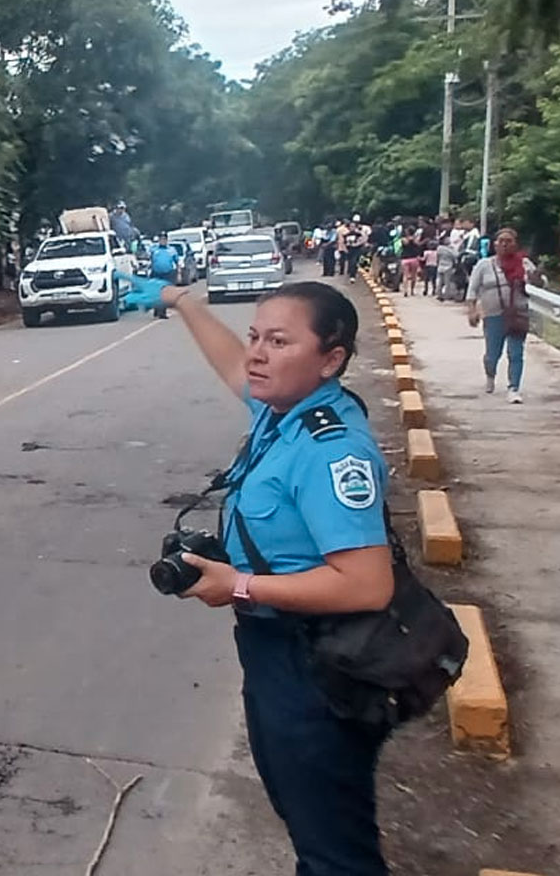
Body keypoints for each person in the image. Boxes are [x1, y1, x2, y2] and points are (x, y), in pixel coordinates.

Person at [151, 278, 397, 875]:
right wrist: (187, 304)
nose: (256, 353)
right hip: (273, 653)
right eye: (256, 336)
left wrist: (236, 584)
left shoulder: (332, 451)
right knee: (304, 813)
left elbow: (367, 584)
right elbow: (233, 364)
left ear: (331, 359)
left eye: (279, 341)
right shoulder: (284, 410)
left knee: (334, 849)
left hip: (317, 669)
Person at [465, 228, 545, 403]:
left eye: (509, 241)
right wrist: (472, 310)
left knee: (515, 353)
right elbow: (472, 289)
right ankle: (490, 375)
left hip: (518, 314)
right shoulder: (484, 265)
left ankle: (514, 388)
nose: (505, 244)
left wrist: (536, 277)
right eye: (501, 241)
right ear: (495, 244)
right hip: (493, 315)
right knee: (492, 354)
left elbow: (539, 285)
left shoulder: (524, 264)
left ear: (515, 244)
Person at [149, 236, 181, 318]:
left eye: (164, 239)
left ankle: (162, 312)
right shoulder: (154, 249)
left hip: (168, 273)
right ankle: (157, 309)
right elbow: (149, 260)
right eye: (161, 239)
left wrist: (178, 273)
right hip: (156, 273)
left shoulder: (171, 250)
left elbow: (177, 262)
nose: (163, 241)